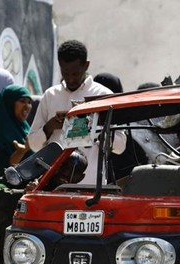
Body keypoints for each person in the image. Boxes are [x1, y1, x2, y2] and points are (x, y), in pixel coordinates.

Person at [28, 40, 125, 185]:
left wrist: (96, 127)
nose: (70, 79)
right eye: (65, 73)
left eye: (75, 73)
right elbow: (33, 144)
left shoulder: (104, 96)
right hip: (53, 185)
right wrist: (50, 127)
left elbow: (120, 146)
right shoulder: (50, 96)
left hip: (91, 185)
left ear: (86, 66)